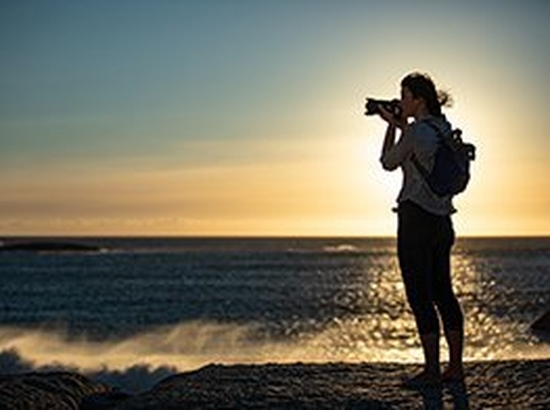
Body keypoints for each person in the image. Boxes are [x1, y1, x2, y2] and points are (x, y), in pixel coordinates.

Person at [376, 72, 465, 386]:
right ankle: (454, 368)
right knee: (444, 292)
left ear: (418, 99)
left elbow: (388, 161)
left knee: (419, 294)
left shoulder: (414, 133)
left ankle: (430, 371)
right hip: (443, 221)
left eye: (404, 95)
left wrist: (389, 125)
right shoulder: (444, 129)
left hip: (415, 219)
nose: (401, 101)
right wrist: (403, 127)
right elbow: (420, 153)